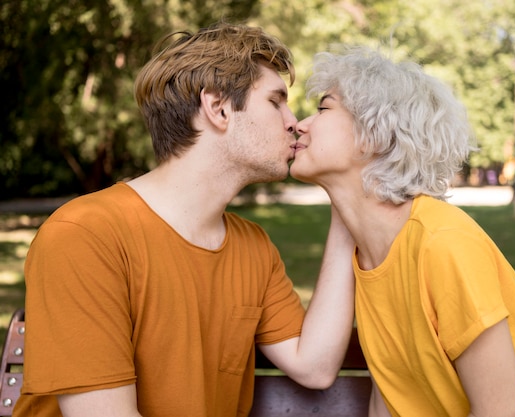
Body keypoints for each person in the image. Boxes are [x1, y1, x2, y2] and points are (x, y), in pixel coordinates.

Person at [14, 22, 355, 417]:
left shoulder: (254, 247)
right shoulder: (84, 235)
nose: (293, 121)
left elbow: (314, 366)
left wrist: (346, 199)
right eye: (276, 101)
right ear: (219, 108)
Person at [289, 45, 515, 417]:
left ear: (374, 135)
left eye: (323, 108)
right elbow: (393, 397)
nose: (300, 124)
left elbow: (501, 413)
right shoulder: (369, 255)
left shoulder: (442, 242)